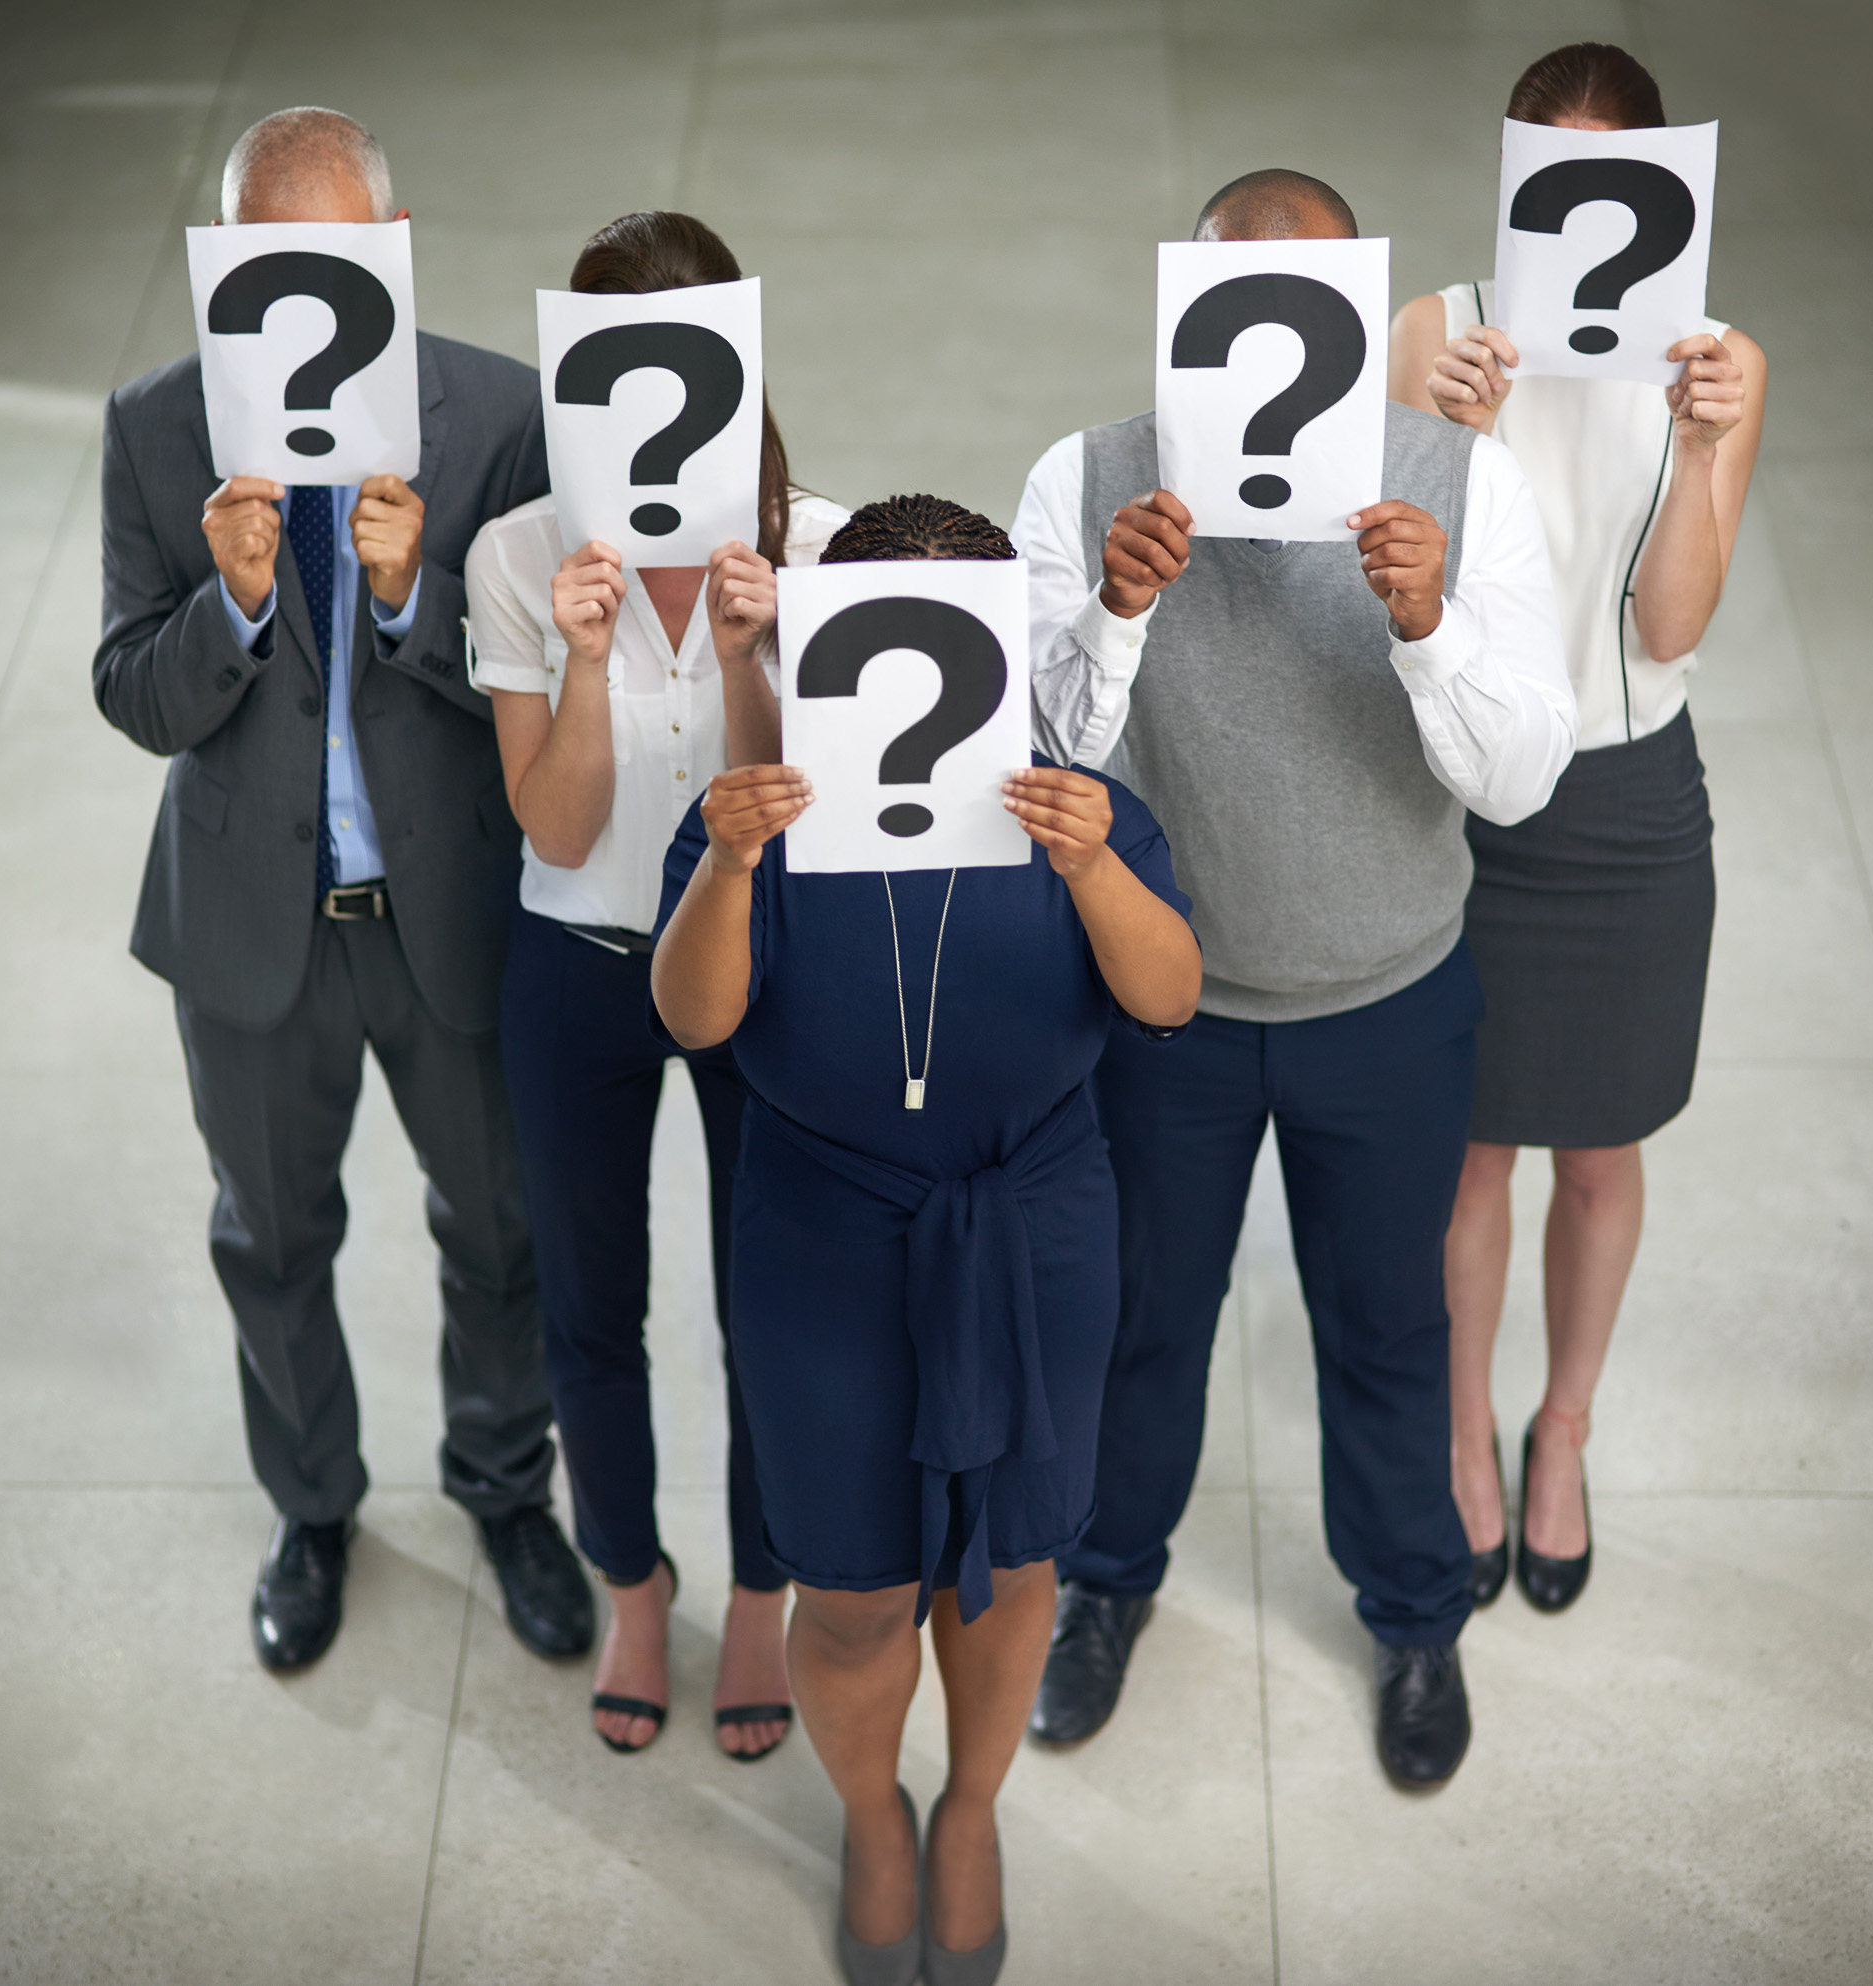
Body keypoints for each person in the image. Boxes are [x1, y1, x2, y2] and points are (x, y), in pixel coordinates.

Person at [1015, 168, 1578, 1788]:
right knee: (1138, 1324)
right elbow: (1049, 760)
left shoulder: (1461, 483)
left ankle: (1412, 1613)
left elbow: (1524, 775)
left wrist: (1427, 625)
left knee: (1391, 1325)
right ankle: (1107, 1586)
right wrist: (1119, 608)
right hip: (1166, 1006)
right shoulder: (1088, 477)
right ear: (1186, 303)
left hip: (1389, 999)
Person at [650, 494, 1200, 1984]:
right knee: (854, 1581)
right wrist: (724, 867)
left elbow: (1167, 993)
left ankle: (970, 1804)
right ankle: (870, 1810)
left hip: (1034, 1225)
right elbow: (692, 1014)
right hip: (823, 1239)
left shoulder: (1065, 797)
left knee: (1017, 1555)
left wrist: (1093, 867)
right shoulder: (765, 807)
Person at [94, 108, 591, 1672]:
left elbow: (548, 670)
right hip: (251, 936)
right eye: (264, 253)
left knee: (501, 1228)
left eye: (331, 250)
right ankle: (313, 1509)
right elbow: (133, 692)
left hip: (447, 917)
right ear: (226, 255)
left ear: (390, 242)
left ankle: (508, 1488)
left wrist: (408, 595)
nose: (298, 281)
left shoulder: (499, 415)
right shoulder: (158, 427)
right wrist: (229, 607)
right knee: (271, 1234)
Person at [465, 210, 849, 1761]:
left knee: (771, 1304)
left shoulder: (815, 548)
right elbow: (556, 825)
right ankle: (633, 1574)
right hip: (576, 957)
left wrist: (760, 653)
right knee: (586, 1300)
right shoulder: (518, 554)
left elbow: (800, 816)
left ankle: (761, 1587)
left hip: (757, 958)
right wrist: (576, 655)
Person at [1387, 43, 1766, 1613]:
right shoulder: (1436, 329)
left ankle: (1564, 1429)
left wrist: (1701, 444)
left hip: (1624, 795)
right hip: (1466, 783)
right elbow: (1380, 581)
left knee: (1599, 1151)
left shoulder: (1719, 360)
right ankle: (1467, 1434)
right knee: (1470, 1155)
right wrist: (1435, 427)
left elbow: (1671, 623)